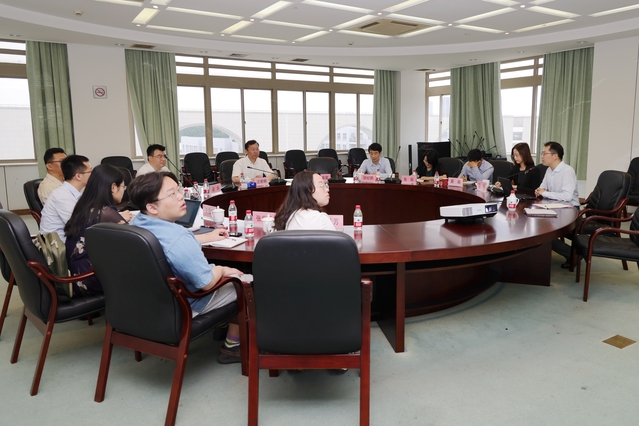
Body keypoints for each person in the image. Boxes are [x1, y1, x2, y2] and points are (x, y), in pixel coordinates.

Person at [128, 171, 243, 364]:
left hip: (144, 305)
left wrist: (205, 237)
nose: (181, 197)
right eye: (172, 194)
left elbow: (169, 245)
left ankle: (221, 324)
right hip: (183, 306)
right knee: (243, 282)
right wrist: (222, 269)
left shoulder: (136, 223)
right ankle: (232, 346)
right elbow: (206, 283)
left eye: (178, 190)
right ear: (152, 207)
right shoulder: (178, 238)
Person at [64, 164, 133, 296]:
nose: (124, 191)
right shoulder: (106, 212)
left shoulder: (85, 205)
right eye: (123, 187)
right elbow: (132, 245)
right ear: (113, 187)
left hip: (77, 272)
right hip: (88, 277)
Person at [40, 155, 92, 242]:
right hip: (60, 245)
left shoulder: (74, 192)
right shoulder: (62, 196)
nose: (92, 175)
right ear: (78, 176)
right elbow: (79, 226)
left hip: (71, 240)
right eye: (90, 171)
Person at [534, 141, 580, 207]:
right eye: (542, 153)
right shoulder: (549, 169)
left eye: (544, 153)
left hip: (570, 207)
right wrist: (538, 191)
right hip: (553, 204)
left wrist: (544, 193)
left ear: (555, 156)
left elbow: (567, 196)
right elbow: (542, 188)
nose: (542, 156)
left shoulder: (567, 171)